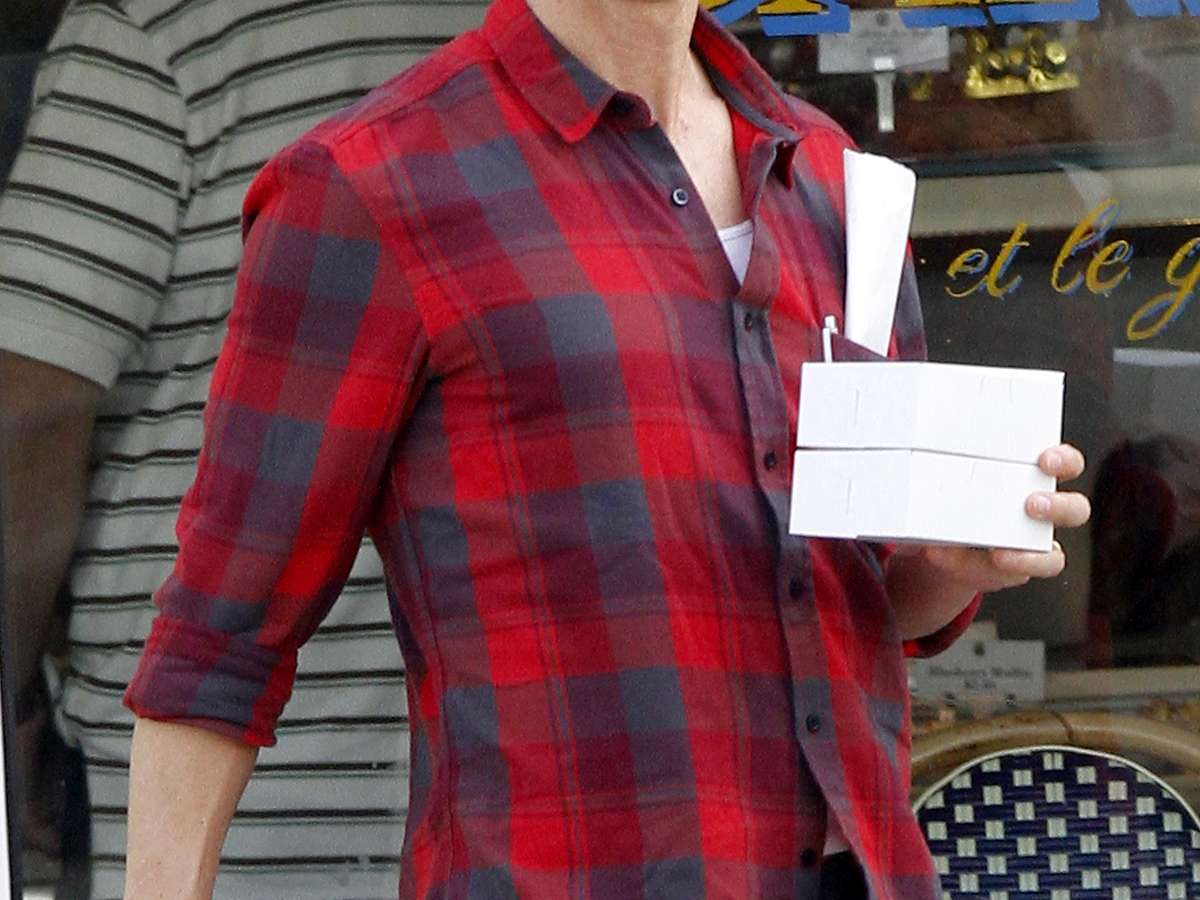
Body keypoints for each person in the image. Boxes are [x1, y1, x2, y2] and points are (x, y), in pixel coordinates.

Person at [121, 0, 1091, 896]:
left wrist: (955, 566)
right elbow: (218, 640)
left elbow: (864, 596)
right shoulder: (374, 182)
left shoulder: (833, 178)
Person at [0, 0, 468, 895]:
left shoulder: (162, 26)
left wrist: (14, 710)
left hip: (215, 808)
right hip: (482, 803)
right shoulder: (583, 50)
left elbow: (28, 405)